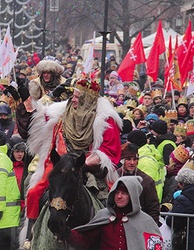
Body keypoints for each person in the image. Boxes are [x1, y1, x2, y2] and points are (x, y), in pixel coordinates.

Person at [25, 78, 122, 244]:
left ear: (86, 99)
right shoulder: (62, 113)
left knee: (114, 201)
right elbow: (39, 116)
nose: (73, 99)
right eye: (73, 96)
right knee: (34, 192)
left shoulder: (106, 120)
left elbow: (109, 151)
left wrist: (87, 162)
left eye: (77, 97)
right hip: (61, 163)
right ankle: (30, 236)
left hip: (89, 166)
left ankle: (110, 237)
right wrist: (30, 100)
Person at [61, 176, 163, 249]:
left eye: (124, 193)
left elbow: (154, 247)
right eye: (117, 192)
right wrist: (66, 232)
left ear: (133, 196)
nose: (119, 196)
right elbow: (85, 241)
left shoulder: (145, 222)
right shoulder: (104, 215)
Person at [117, 142, 160, 224]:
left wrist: (151, 229)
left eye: (135, 159)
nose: (132, 163)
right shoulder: (114, 177)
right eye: (128, 159)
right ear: (122, 161)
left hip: (140, 225)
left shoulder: (147, 181)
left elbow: (153, 208)